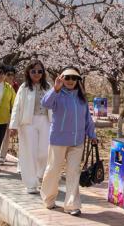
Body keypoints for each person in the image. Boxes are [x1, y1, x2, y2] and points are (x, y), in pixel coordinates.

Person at [40, 66, 97, 217]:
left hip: (77, 141)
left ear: (78, 80)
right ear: (62, 78)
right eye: (67, 78)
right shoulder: (57, 94)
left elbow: (87, 118)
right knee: (53, 170)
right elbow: (45, 103)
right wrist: (55, 89)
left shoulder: (81, 97)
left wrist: (92, 134)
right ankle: (48, 199)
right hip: (58, 140)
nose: (70, 81)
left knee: (73, 173)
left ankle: (72, 205)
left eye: (74, 78)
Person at [9, 60, 52, 193]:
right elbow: (17, 107)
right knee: (29, 152)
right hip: (28, 123)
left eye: (40, 71)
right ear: (28, 72)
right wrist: (13, 126)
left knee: (44, 151)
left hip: (45, 121)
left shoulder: (48, 87)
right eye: (33, 71)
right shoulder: (24, 87)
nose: (37, 74)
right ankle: (30, 184)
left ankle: (40, 175)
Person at [0, 64, 18, 165]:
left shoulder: (16, 86)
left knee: (6, 136)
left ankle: (2, 156)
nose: (10, 76)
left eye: (12, 74)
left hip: (10, 114)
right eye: (8, 74)